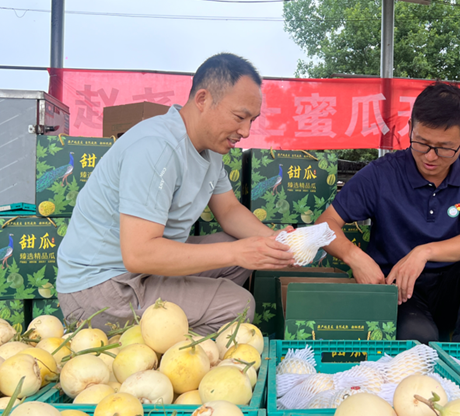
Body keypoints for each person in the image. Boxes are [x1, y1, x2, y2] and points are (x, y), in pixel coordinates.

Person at [56, 53, 295, 334]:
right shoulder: (157, 148)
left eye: (252, 120)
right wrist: (236, 252)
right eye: (239, 117)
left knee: (242, 244)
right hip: (101, 288)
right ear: (203, 99)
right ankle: (164, 361)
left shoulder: (210, 149)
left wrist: (271, 241)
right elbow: (138, 253)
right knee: (239, 304)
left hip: (140, 269)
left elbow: (229, 210)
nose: (245, 131)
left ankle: (174, 323)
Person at [316, 82, 460, 343]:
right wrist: (355, 257)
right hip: (400, 293)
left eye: (444, 147)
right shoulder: (381, 174)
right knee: (418, 342)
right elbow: (324, 225)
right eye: (421, 143)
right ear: (409, 129)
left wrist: (423, 252)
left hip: (452, 288)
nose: (430, 156)